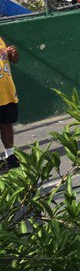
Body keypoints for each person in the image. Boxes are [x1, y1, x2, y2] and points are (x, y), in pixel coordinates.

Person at [0, 33, 19, 171]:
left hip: (7, 90)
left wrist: (13, 53)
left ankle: (10, 156)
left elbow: (14, 60)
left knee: (7, 123)